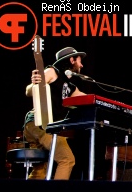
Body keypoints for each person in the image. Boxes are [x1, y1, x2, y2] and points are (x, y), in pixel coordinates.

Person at [23, 47, 88, 180]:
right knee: (67, 159)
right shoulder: (52, 71)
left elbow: (87, 99)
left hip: (46, 128)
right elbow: (30, 90)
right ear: (71, 59)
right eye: (79, 61)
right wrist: (34, 85)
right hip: (39, 123)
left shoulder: (70, 87)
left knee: (41, 169)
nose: (82, 65)